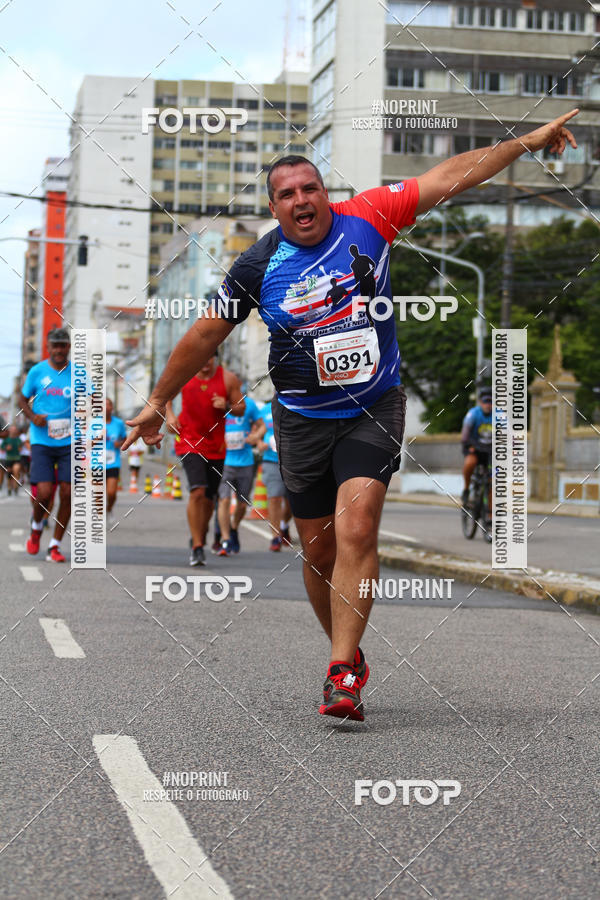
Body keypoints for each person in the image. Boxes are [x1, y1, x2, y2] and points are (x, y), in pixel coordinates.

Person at [124, 109, 578, 721]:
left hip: (374, 404)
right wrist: (157, 401)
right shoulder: (257, 267)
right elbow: (204, 336)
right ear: (275, 209)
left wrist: (527, 140)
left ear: (326, 194)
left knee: (358, 526)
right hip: (301, 418)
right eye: (286, 195)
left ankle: (342, 672)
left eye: (309, 188)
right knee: (318, 554)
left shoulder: (370, 215)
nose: (301, 200)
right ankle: (349, 651)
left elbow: (454, 174)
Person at [165, 354, 245, 567]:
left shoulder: (228, 379)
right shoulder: (184, 373)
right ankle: (197, 546)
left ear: (216, 358)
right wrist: (171, 415)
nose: (205, 361)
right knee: (197, 490)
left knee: (209, 499)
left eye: (210, 357)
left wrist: (226, 404)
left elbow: (241, 407)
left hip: (216, 446)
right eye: (203, 357)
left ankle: (199, 532)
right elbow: (166, 395)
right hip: (189, 440)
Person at [19, 327, 72, 562]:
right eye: (55, 345)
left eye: (63, 345)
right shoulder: (37, 372)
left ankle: (55, 545)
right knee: (44, 492)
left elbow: (92, 400)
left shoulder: (78, 373)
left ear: (69, 347)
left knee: (69, 493)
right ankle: (37, 526)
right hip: (41, 440)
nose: (59, 349)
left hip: (70, 441)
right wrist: (33, 417)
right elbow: (22, 398)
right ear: (48, 348)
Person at [217, 392, 265, 555]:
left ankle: (233, 528)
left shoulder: (249, 404)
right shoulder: (220, 403)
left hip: (245, 462)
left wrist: (256, 436)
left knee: (243, 504)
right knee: (223, 499)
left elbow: (262, 425)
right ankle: (225, 539)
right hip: (225, 461)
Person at [258, 398, 293, 551]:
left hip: (293, 461)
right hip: (271, 461)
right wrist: (259, 443)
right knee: (274, 497)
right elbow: (256, 431)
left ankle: (284, 525)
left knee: (293, 500)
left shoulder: (295, 405)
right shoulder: (265, 409)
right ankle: (275, 537)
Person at [461, 388, 493, 508]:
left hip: (490, 451)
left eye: (491, 402)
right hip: (474, 448)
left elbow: (509, 435)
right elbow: (465, 434)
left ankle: (490, 516)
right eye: (485, 402)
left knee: (493, 481)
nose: (488, 405)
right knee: (470, 462)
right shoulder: (473, 414)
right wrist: (469, 445)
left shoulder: (499, 415)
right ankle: (466, 489)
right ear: (480, 402)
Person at [105, 398, 127, 518]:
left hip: (113, 462)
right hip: (96, 463)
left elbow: (125, 438)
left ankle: (109, 508)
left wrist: (120, 443)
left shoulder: (118, 423)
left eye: (109, 405)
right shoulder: (92, 423)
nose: (106, 407)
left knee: (111, 493)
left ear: (112, 408)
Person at [2, 425, 23, 495]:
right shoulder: (6, 439)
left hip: (17, 458)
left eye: (15, 429)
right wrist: (6, 448)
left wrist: (20, 449)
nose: (13, 431)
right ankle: (9, 487)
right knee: (9, 474)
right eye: (12, 429)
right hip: (8, 459)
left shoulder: (18, 439)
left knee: (16, 470)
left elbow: (21, 448)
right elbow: (2, 448)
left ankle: (15, 486)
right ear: (10, 430)